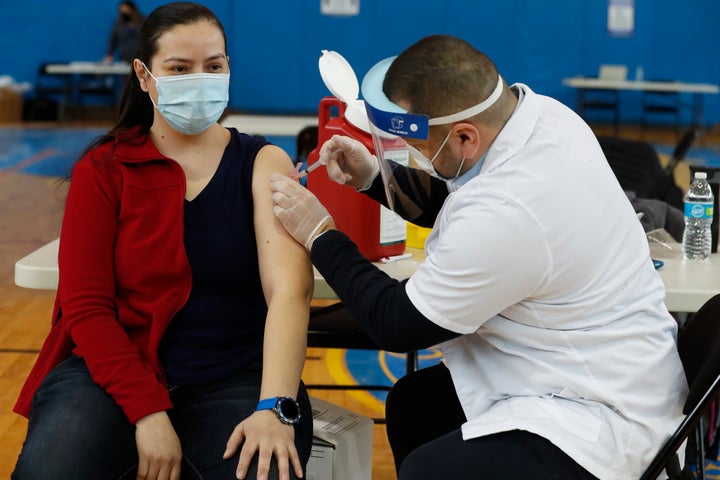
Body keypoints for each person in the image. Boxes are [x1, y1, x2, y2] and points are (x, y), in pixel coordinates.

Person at [269, 35, 688, 480]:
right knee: (415, 404)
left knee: (429, 469)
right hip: (597, 362)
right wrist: (375, 175)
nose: (413, 154)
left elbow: (398, 322)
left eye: (418, 142)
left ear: (465, 135)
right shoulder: (541, 117)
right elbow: (457, 201)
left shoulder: (512, 208)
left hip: (598, 410)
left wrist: (321, 234)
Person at [12, 3, 313, 480]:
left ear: (229, 68)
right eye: (179, 68)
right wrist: (147, 411)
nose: (200, 78)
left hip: (234, 375)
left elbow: (290, 294)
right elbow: (86, 307)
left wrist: (274, 408)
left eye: (214, 66)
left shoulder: (263, 162)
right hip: (114, 372)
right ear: (145, 75)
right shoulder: (105, 169)